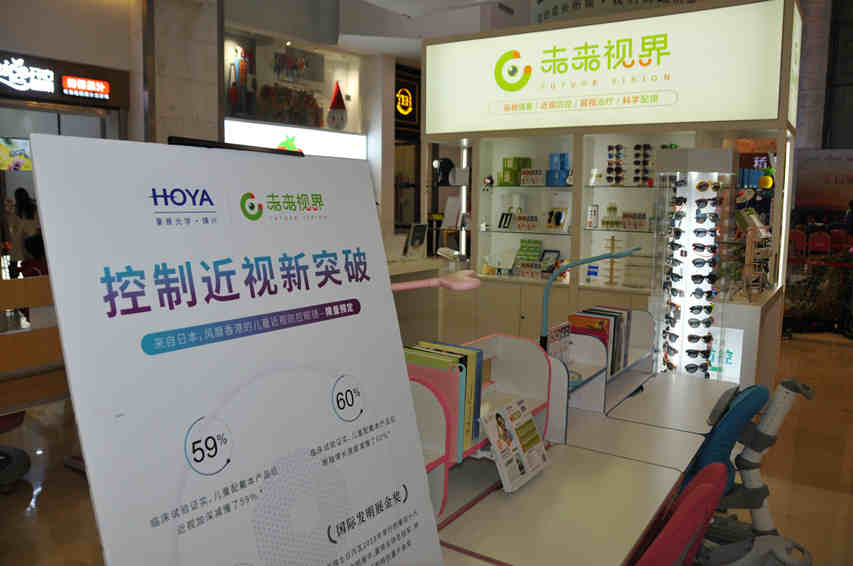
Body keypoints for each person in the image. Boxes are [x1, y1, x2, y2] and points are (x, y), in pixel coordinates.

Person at [6, 188, 40, 268]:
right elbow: (38, 223)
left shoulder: (16, 209)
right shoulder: (34, 207)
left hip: (21, 238)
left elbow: (11, 224)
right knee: (35, 262)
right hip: (34, 237)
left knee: (15, 257)